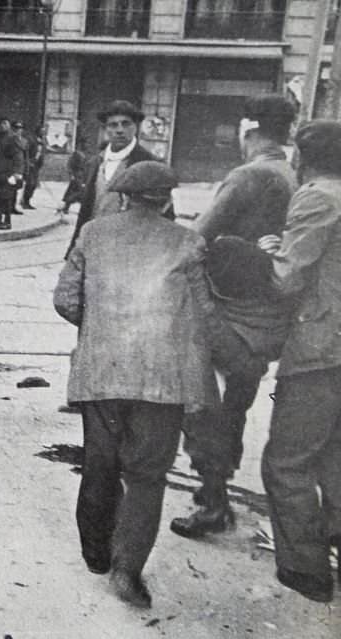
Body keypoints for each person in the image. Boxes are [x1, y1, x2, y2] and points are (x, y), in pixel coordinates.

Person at [54, 161, 219, 610]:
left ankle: (95, 554)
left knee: (100, 462)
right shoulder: (188, 243)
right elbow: (203, 316)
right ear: (167, 200)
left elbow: (65, 299)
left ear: (123, 197)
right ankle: (127, 572)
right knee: (147, 476)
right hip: (161, 380)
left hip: (102, 374)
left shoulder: (93, 233)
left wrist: (102, 328)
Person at [171, 95, 298, 540]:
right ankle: (215, 493)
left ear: (249, 129)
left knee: (202, 405)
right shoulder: (294, 173)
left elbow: (196, 238)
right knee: (235, 408)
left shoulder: (249, 175)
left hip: (230, 316)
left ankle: (212, 501)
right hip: (272, 320)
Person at [255, 120, 341, 603]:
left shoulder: (317, 196)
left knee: (287, 461)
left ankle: (305, 568)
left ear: (304, 158)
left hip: (319, 348)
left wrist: (268, 256)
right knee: (336, 455)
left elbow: (288, 279)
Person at [65, 100, 166, 257]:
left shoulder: (150, 164)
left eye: (126, 124)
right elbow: (86, 211)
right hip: (92, 247)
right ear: (105, 129)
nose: (120, 130)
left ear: (136, 127)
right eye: (113, 125)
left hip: (130, 252)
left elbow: (165, 217)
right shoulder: (94, 162)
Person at [0, 117, 24, 231]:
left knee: (6, 197)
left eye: (5, 123)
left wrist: (17, 173)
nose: (3, 126)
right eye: (1, 124)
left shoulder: (13, 138)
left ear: (9, 125)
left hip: (8, 172)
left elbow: (18, 156)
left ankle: (7, 221)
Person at [57, 138, 89, 215]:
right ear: (81, 144)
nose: (87, 145)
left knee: (74, 192)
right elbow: (70, 164)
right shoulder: (76, 153)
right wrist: (71, 175)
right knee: (79, 192)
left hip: (82, 175)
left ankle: (65, 208)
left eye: (88, 144)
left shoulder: (84, 153)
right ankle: (66, 207)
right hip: (77, 175)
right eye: (86, 143)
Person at [20, 124, 45, 210]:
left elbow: (41, 152)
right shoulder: (31, 139)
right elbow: (26, 151)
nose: (43, 132)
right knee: (30, 183)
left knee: (34, 185)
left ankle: (27, 200)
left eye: (44, 131)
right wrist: (28, 162)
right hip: (30, 165)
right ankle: (25, 201)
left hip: (36, 166)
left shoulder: (41, 141)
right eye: (41, 130)